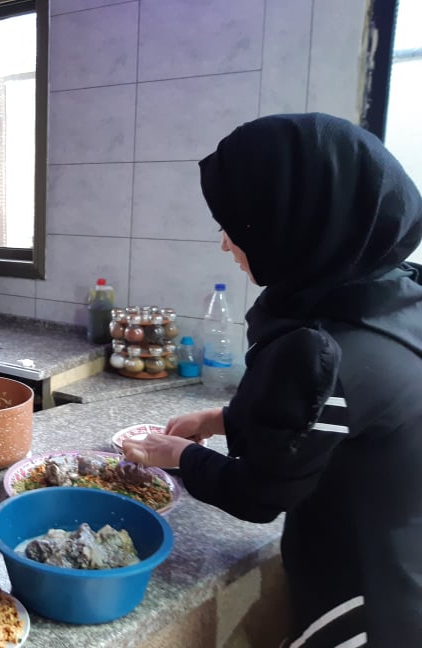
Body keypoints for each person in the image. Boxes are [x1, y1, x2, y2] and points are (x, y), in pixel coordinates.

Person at [123, 113, 422, 646]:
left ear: (290, 222)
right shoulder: (394, 298)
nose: (225, 244)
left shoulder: (319, 348)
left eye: (234, 226)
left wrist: (179, 455)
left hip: (368, 606)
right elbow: (340, 422)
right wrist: (223, 419)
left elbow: (259, 493)